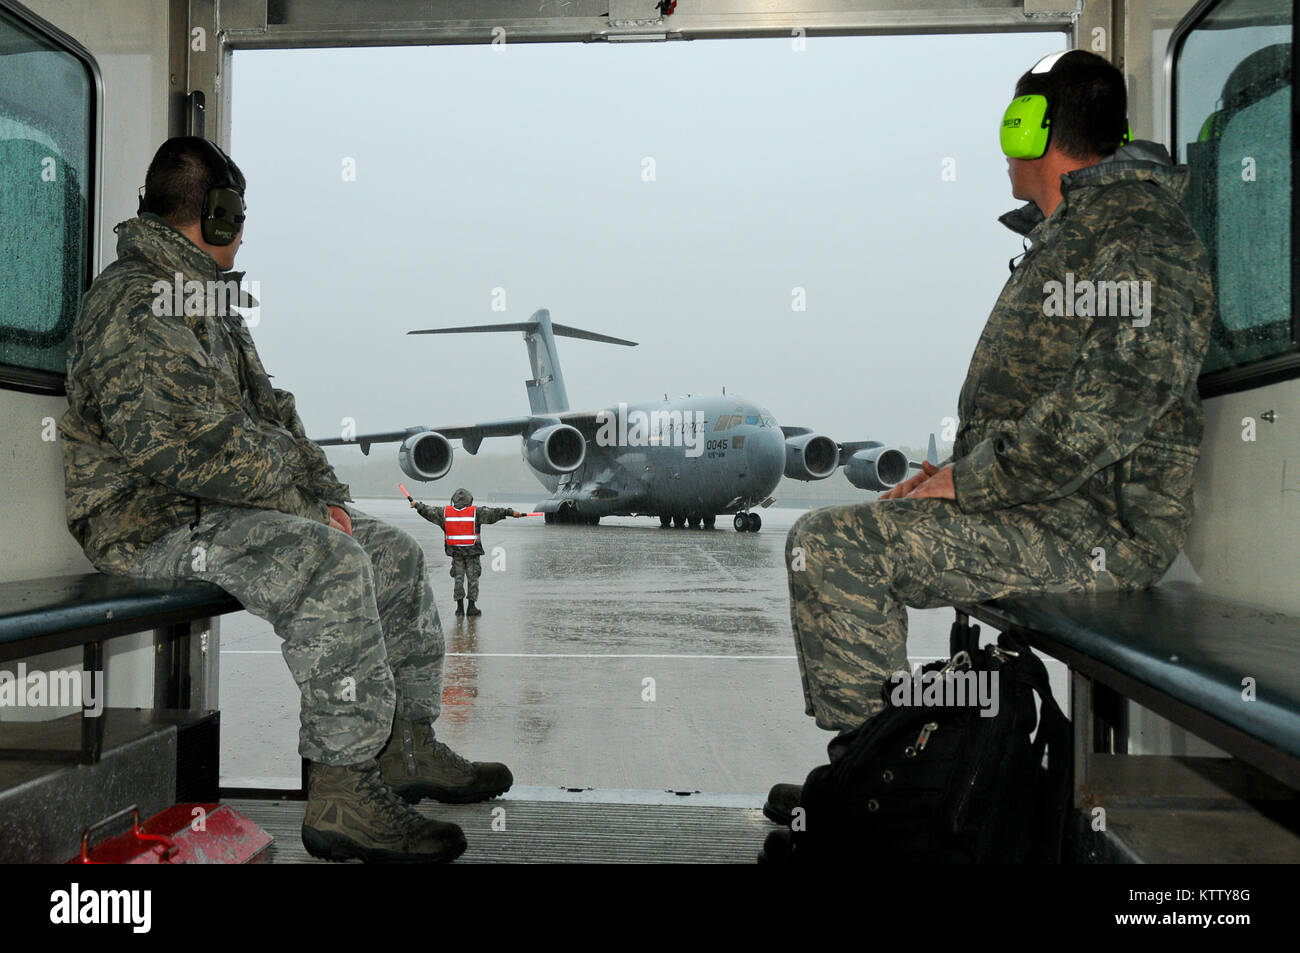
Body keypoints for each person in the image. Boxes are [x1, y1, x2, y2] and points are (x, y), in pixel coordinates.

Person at [765, 50, 1215, 827]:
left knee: (834, 545)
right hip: (1045, 503)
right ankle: (878, 773)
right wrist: (961, 473)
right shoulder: (1080, 230)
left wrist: (973, 482)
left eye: (1012, 121)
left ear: (1029, 128)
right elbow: (1054, 404)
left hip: (1100, 528)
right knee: (846, 535)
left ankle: (879, 794)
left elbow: (1111, 400)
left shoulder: (1138, 233)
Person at [58, 137, 512, 864]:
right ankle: (342, 789)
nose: (243, 229)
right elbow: (189, 446)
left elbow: (271, 413)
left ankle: (406, 743)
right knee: (329, 561)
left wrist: (325, 494)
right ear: (214, 212)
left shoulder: (201, 295)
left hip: (212, 507)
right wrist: (309, 510)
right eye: (237, 212)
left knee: (387, 550)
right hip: (147, 523)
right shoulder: (137, 302)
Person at [411, 489, 525, 617]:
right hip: (472, 553)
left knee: (458, 579)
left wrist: (417, 506)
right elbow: (494, 513)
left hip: (456, 553)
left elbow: (428, 511)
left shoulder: (444, 513)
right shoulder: (476, 512)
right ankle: (471, 607)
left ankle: (459, 609)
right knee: (473, 579)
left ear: (453, 500)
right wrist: (510, 512)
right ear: (470, 500)